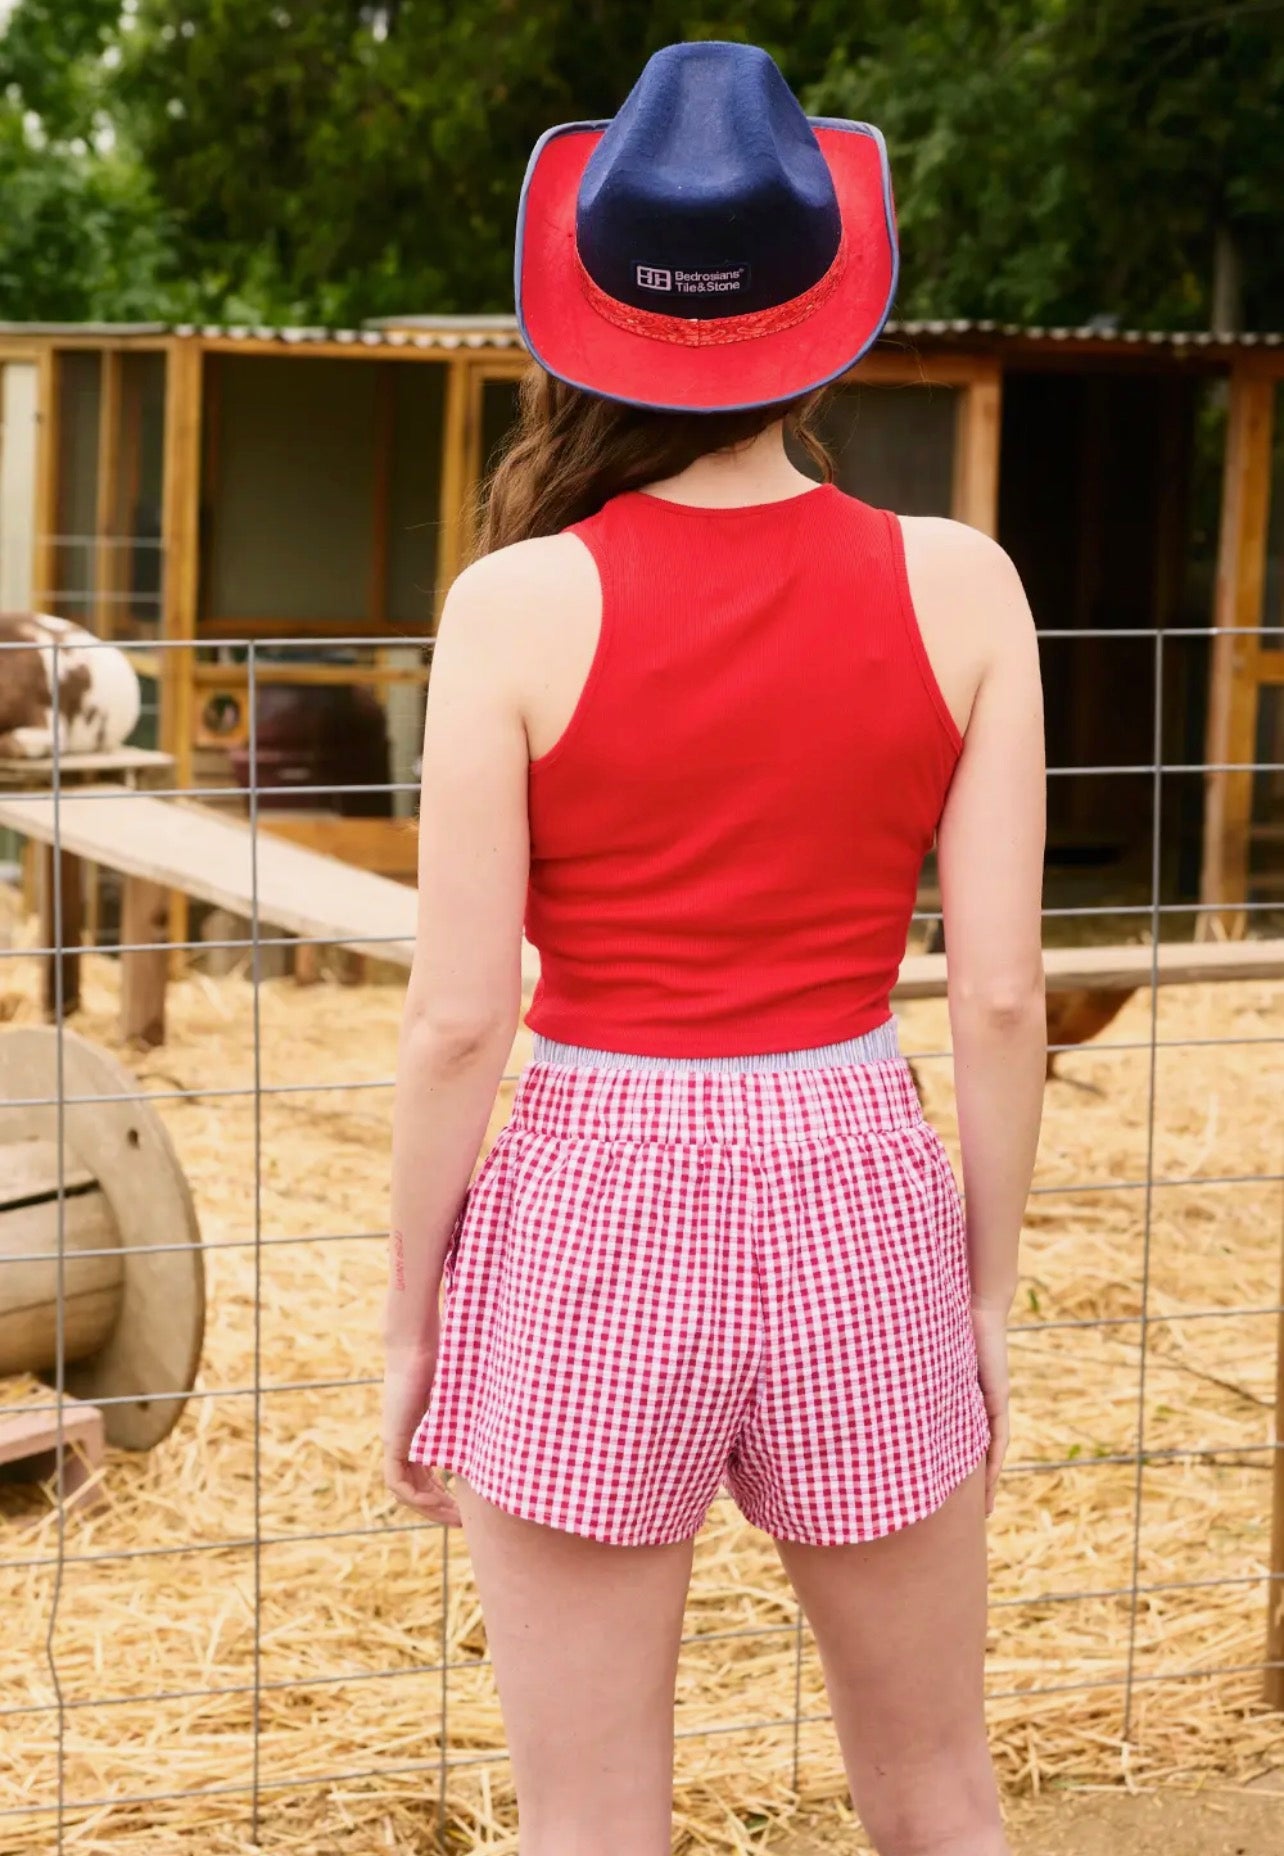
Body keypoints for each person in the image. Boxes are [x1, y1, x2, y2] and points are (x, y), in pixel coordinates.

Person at [383, 38, 1045, 1856]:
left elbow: (456, 1021)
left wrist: (407, 1324)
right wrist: (980, 1297)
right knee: (935, 1785)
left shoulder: (512, 606)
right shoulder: (963, 583)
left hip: (597, 1185)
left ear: (584, 303)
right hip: (855, 1173)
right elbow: (994, 997)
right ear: (823, 302)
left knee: (591, 1819)